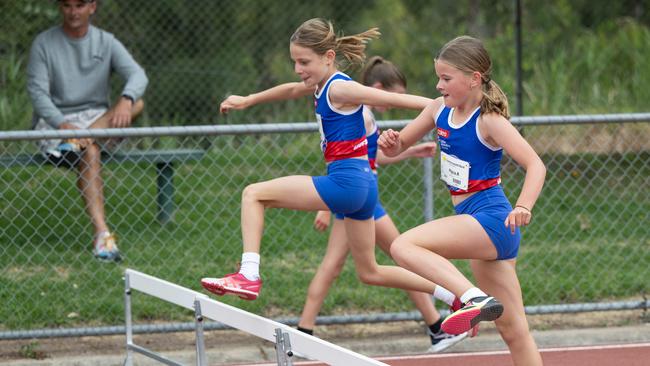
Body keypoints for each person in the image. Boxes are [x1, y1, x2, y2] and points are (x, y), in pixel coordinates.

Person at [201, 19, 459, 315]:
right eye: (294, 62)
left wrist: (446, 103)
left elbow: (390, 98)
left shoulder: (340, 89)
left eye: (304, 62)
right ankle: (452, 294)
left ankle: (248, 274)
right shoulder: (322, 85)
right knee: (370, 272)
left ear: (328, 57)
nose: (298, 69)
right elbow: (290, 90)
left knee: (253, 194)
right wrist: (248, 100)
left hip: (346, 184)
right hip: (364, 189)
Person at [378, 36, 546, 365]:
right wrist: (391, 142)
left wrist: (523, 205)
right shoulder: (438, 110)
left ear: (474, 79)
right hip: (473, 220)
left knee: (403, 246)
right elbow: (398, 147)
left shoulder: (489, 120)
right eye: (438, 77)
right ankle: (473, 299)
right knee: (514, 331)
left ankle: (471, 298)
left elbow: (535, 164)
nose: (439, 86)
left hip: (493, 219)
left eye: (446, 79)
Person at [297, 56, 468, 353]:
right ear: (377, 88)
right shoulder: (358, 112)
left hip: (361, 197)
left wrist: (410, 152)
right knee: (348, 264)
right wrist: (326, 205)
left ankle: (437, 325)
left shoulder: (362, 113)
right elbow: (341, 161)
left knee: (389, 260)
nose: (393, 102)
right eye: (395, 95)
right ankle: (304, 332)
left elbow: (372, 157)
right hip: (355, 197)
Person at [26, 0, 148, 262]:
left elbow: (138, 75)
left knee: (137, 101)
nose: (73, 12)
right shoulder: (44, 43)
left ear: (92, 7)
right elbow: (37, 93)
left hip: (96, 117)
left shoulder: (106, 41)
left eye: (80, 5)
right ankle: (102, 235)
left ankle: (82, 137)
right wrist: (62, 124)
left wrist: (126, 99)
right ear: (60, 7)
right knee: (90, 151)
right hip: (55, 123)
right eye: (67, 5)